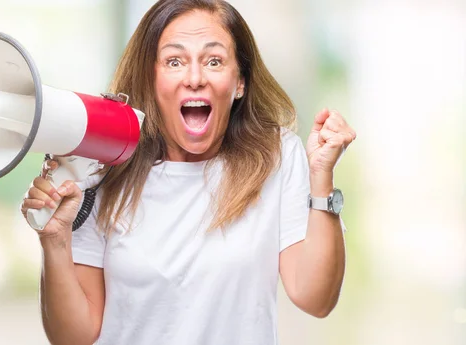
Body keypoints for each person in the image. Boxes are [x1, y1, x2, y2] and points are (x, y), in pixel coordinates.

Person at [19, 1, 356, 344]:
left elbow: (316, 298)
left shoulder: (277, 157)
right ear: (151, 81)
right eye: (174, 61)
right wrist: (55, 240)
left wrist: (321, 178)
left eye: (213, 61)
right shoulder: (105, 165)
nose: (194, 79)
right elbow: (73, 337)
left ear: (239, 82)